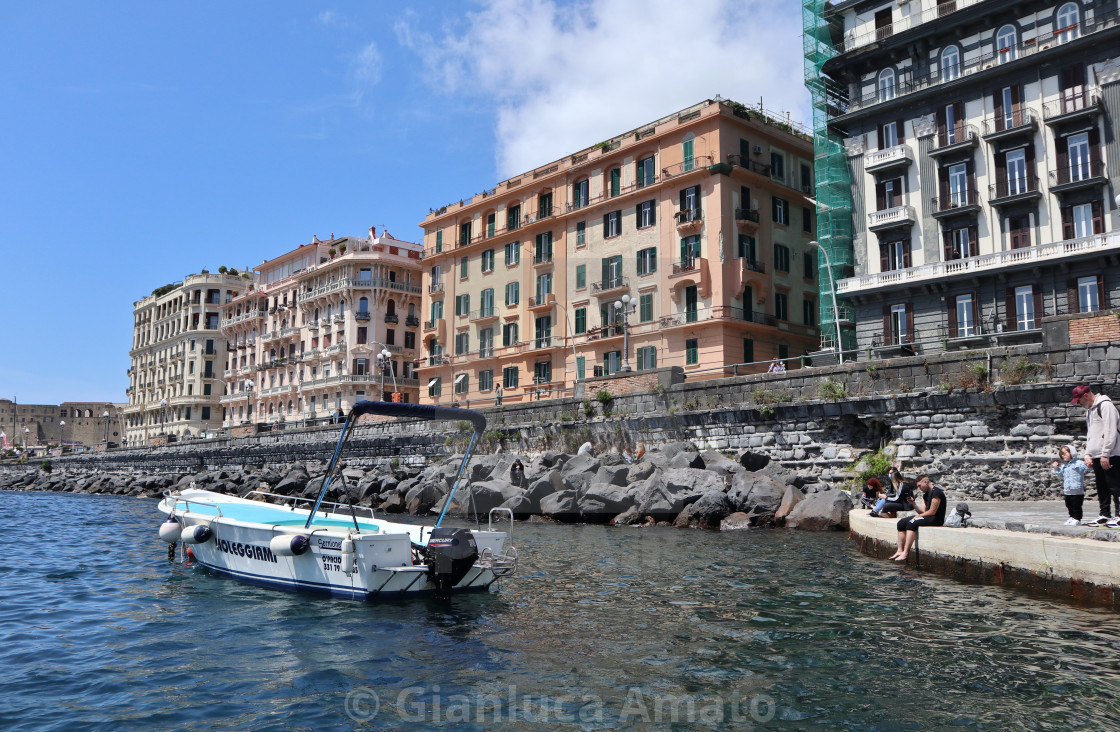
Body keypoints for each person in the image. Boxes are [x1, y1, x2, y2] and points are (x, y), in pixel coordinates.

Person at [1072, 384, 1120, 527]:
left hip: (1111, 454)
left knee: (1116, 486)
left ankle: (1119, 514)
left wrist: (1106, 453)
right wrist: (1088, 454)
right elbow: (1090, 434)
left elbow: (1110, 430)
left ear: (1086, 395)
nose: (1078, 403)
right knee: (1102, 486)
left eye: (1078, 400)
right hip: (1097, 455)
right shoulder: (1089, 410)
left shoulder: (1105, 406)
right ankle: (1104, 514)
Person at [890, 475, 945, 561]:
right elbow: (922, 512)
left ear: (926, 482)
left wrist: (918, 517)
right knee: (901, 523)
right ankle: (900, 550)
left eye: (919, 485)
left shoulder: (936, 493)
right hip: (927, 516)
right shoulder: (926, 495)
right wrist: (913, 504)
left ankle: (906, 552)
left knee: (912, 523)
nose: (919, 488)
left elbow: (932, 511)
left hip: (936, 519)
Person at [1053, 444, 1088, 525]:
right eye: (1062, 454)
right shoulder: (1064, 465)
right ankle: (1072, 517)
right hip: (1067, 489)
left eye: (1065, 453)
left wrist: (1089, 462)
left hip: (1076, 489)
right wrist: (1056, 468)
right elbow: (1061, 474)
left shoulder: (1079, 463)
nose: (1063, 455)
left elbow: (1087, 467)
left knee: (1076, 505)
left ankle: (1077, 518)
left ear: (1072, 453)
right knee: (1069, 505)